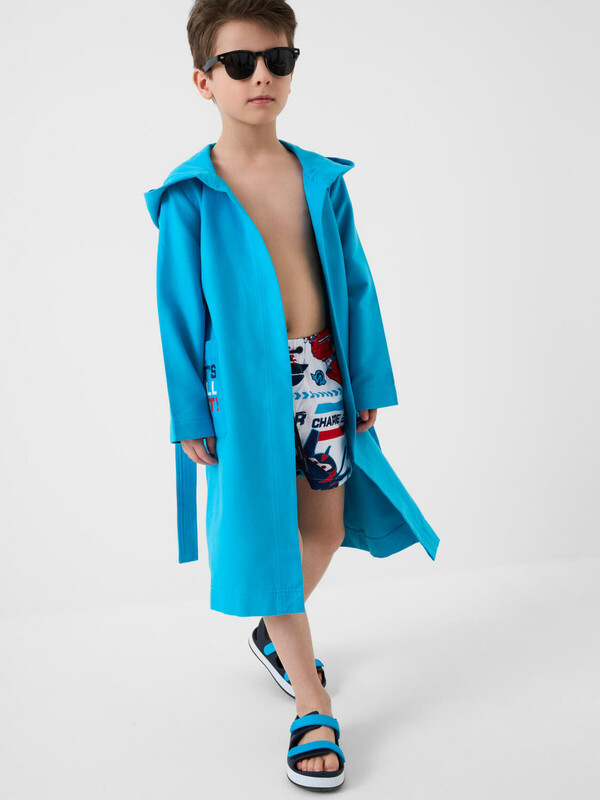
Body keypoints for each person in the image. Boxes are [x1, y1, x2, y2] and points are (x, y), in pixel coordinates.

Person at [144, 0, 439, 791]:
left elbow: (356, 283)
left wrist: (366, 378)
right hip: (240, 394)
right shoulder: (191, 195)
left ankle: (276, 635)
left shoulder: (319, 179)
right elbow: (177, 312)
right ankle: (312, 699)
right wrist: (188, 412)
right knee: (265, 530)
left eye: (278, 60)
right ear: (203, 81)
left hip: (322, 375)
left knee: (324, 528)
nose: (261, 76)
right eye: (240, 63)